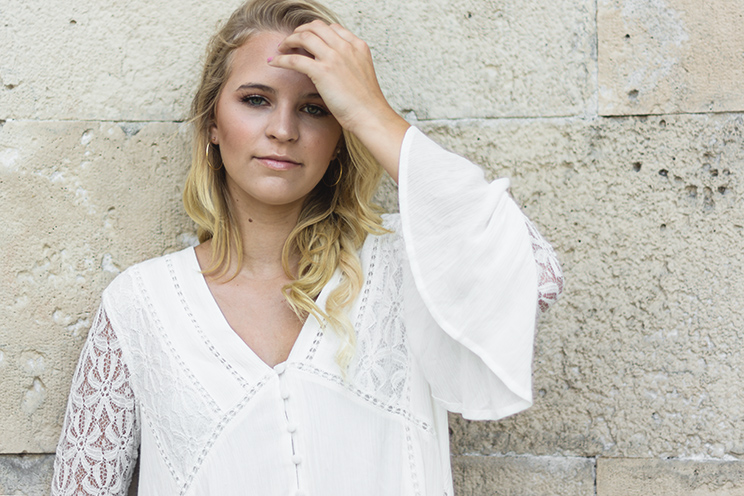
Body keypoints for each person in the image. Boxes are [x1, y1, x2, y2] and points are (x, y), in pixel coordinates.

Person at [51, 0, 563, 494]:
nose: (282, 130)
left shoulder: (407, 261)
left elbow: (536, 276)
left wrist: (371, 110)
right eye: (255, 100)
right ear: (211, 121)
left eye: (315, 108)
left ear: (340, 134)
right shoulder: (141, 304)